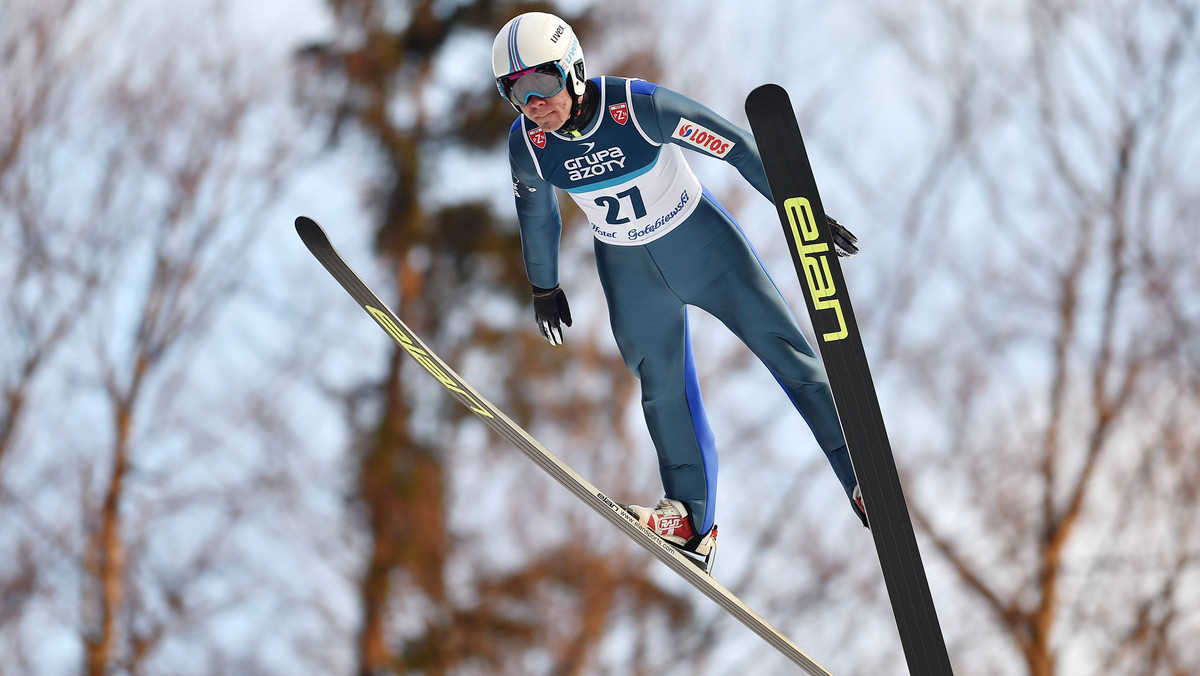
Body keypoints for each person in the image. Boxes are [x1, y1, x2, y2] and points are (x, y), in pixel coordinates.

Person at [492, 12, 867, 570]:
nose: (534, 102)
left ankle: (861, 476)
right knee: (661, 389)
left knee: (786, 354)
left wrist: (802, 214)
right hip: (629, 272)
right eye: (516, 91)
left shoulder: (638, 107)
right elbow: (538, 216)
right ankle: (692, 522)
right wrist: (543, 286)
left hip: (704, 249)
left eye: (542, 83)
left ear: (573, 70)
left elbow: (737, 145)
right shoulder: (528, 144)